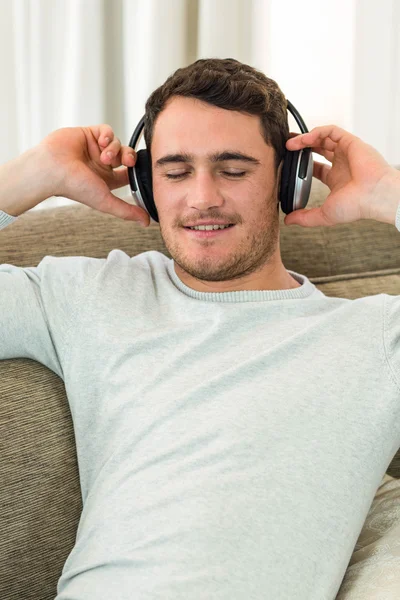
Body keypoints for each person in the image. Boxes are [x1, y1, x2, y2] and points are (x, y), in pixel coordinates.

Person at [1, 58, 400, 600]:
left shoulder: (375, 335)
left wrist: (389, 194)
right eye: (175, 171)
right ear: (144, 184)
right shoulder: (89, 294)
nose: (203, 198)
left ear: (289, 182)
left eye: (233, 170)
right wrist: (26, 179)